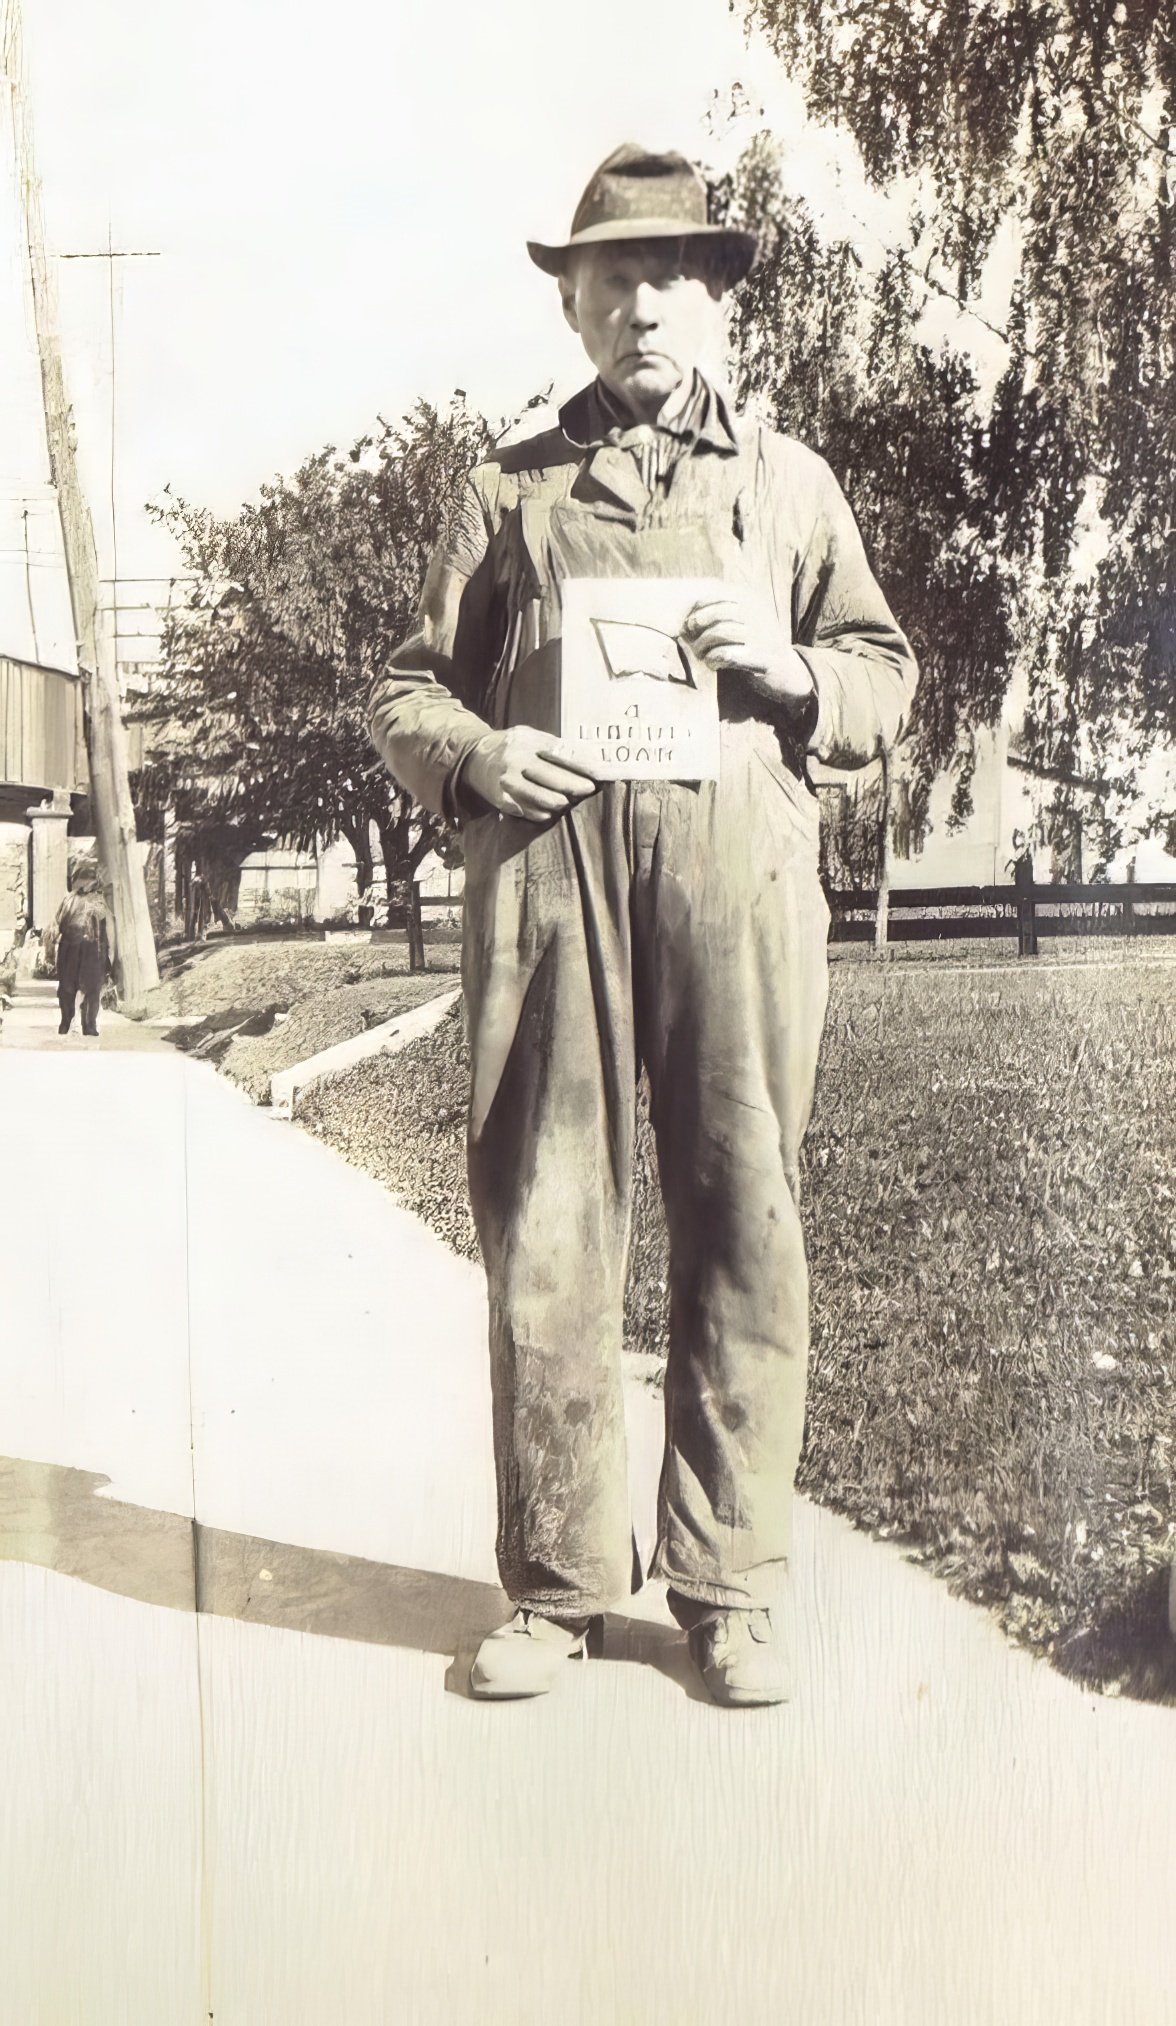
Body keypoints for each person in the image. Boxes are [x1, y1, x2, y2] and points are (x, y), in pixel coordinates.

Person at [368, 143, 918, 1705]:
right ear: (575, 306)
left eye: (671, 273)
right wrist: (478, 752)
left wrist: (803, 673)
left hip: (739, 897)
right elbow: (404, 686)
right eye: (611, 276)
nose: (641, 302)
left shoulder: (791, 484)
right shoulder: (508, 489)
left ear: (717, 297)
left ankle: (730, 1585)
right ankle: (556, 1584)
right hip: (551, 897)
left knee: (746, 1216)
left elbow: (883, 672)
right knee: (549, 1222)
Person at [52, 859, 109, 1039]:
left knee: (83, 988)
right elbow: (59, 921)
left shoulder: (90, 899)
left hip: (81, 948)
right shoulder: (77, 899)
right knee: (76, 988)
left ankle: (80, 1024)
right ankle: (75, 1023)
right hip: (77, 947)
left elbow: (102, 922)